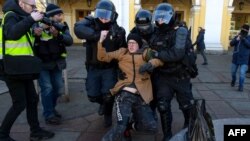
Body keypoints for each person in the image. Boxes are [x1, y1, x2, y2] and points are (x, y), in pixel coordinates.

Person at [0, 0, 55, 141]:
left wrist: (34, 32)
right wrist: (31, 19)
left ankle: (35, 131)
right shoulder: (11, 15)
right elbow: (12, 33)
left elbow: (20, 39)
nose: (34, 9)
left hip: (22, 67)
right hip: (11, 68)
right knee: (19, 103)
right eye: (32, 6)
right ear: (21, 4)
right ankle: (2, 134)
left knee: (32, 99)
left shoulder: (21, 17)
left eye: (35, 6)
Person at [98, 32, 162, 141]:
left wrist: (150, 64)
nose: (131, 45)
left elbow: (159, 60)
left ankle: (131, 125)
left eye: (134, 43)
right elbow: (103, 57)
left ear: (139, 44)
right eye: (129, 43)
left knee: (152, 127)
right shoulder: (122, 52)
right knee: (120, 127)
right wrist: (100, 41)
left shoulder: (145, 52)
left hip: (141, 96)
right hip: (124, 95)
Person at [74, 0, 126, 128]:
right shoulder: (91, 26)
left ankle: (107, 114)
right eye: (100, 15)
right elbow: (78, 28)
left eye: (106, 16)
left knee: (108, 95)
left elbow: (123, 50)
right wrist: (97, 34)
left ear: (113, 16)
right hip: (93, 67)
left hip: (109, 68)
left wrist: (122, 69)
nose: (103, 19)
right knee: (92, 95)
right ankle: (102, 104)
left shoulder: (118, 30)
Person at [149, 3, 194, 141]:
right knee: (162, 106)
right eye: (158, 18)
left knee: (187, 106)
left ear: (171, 17)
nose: (160, 21)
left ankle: (189, 128)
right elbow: (142, 39)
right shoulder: (155, 32)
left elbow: (177, 54)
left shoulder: (180, 31)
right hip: (163, 76)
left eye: (163, 18)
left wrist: (157, 55)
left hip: (180, 75)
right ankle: (167, 135)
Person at [33, 3, 73, 125]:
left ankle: (51, 108)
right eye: (58, 15)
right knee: (47, 89)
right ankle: (49, 114)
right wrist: (36, 35)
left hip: (56, 63)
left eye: (61, 14)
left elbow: (69, 41)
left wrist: (57, 35)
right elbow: (29, 40)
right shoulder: (36, 24)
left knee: (58, 88)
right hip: (41, 64)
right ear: (50, 16)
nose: (60, 17)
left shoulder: (62, 26)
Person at [230, 24, 250, 92]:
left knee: (242, 73)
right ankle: (233, 80)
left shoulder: (249, 38)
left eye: (245, 30)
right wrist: (237, 39)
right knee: (233, 72)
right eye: (242, 29)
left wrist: (244, 39)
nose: (243, 31)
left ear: (247, 31)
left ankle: (241, 86)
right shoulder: (237, 36)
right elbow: (231, 44)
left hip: (244, 59)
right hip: (235, 58)